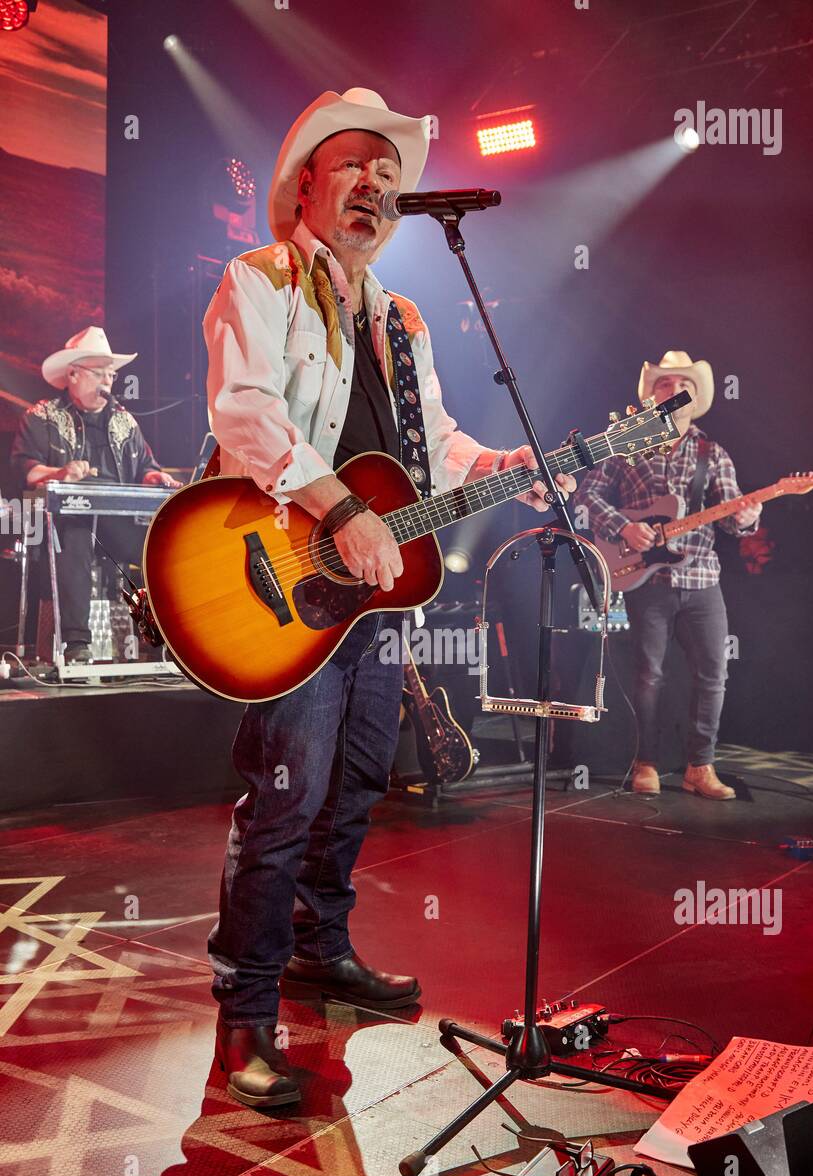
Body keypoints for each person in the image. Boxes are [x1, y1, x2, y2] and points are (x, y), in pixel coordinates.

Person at [203, 87, 577, 1109]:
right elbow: (245, 412)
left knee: (356, 786)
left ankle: (322, 955)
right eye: (353, 166)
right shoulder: (262, 280)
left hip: (369, 604)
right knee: (281, 803)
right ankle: (244, 1015)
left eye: (387, 173)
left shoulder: (401, 321)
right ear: (307, 185)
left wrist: (510, 465)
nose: (373, 184)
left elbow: (435, 449)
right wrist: (336, 510)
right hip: (285, 578)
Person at [578, 350, 761, 801]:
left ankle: (700, 766)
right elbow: (587, 494)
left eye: (684, 385)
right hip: (647, 581)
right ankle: (647, 762)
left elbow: (731, 514)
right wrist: (624, 527)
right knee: (648, 675)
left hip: (702, 580)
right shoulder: (626, 445)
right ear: (651, 396)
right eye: (664, 384)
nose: (673, 391)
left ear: (694, 398)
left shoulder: (710, 452)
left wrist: (747, 516)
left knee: (713, 675)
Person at [11, 326, 178, 662]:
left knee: (164, 543)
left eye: (111, 374)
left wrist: (155, 476)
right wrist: (60, 473)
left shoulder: (124, 420)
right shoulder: (43, 416)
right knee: (75, 531)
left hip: (116, 524)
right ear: (72, 374)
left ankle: (172, 639)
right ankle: (76, 645)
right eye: (99, 372)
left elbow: (144, 467)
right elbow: (24, 470)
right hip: (60, 525)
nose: (107, 381)